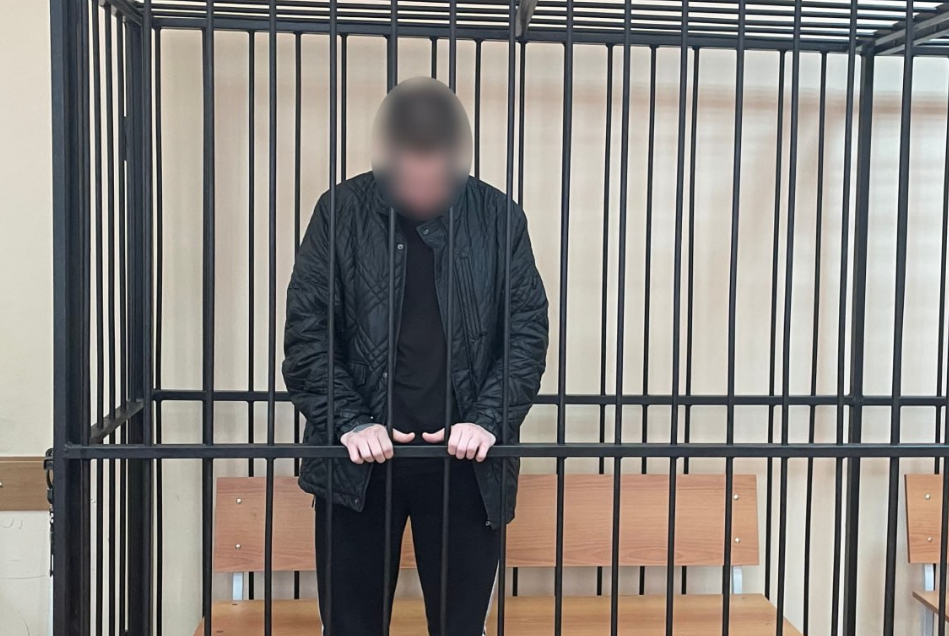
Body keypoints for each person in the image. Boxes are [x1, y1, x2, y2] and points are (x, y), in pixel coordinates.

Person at [282, 76, 549, 636]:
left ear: (457, 159)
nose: (424, 188)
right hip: (357, 464)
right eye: (410, 172)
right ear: (388, 159)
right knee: (351, 627)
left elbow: (526, 334)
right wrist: (349, 421)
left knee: (459, 627)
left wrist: (488, 419)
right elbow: (307, 334)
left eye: (437, 173)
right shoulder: (341, 212)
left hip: (466, 465)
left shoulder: (498, 218)